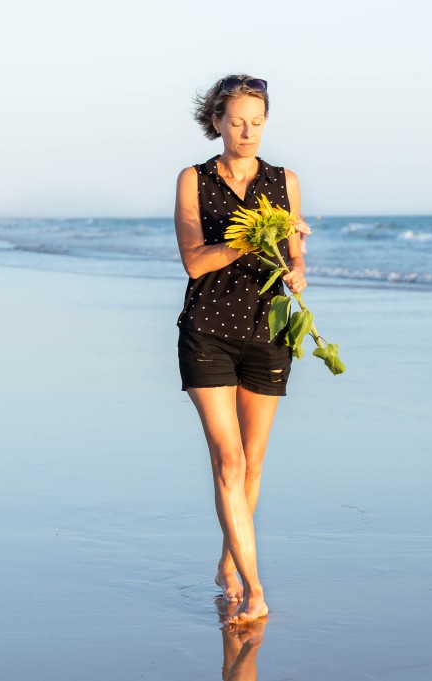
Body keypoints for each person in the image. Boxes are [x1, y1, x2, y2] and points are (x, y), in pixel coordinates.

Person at [173, 74, 310, 625]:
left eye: (257, 120)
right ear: (217, 123)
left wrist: (298, 270)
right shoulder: (194, 179)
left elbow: (295, 255)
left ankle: (229, 565)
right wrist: (246, 239)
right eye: (237, 121)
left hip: (268, 330)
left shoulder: (285, 181)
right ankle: (254, 589)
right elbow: (194, 261)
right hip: (208, 329)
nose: (248, 131)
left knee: (252, 463)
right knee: (227, 459)